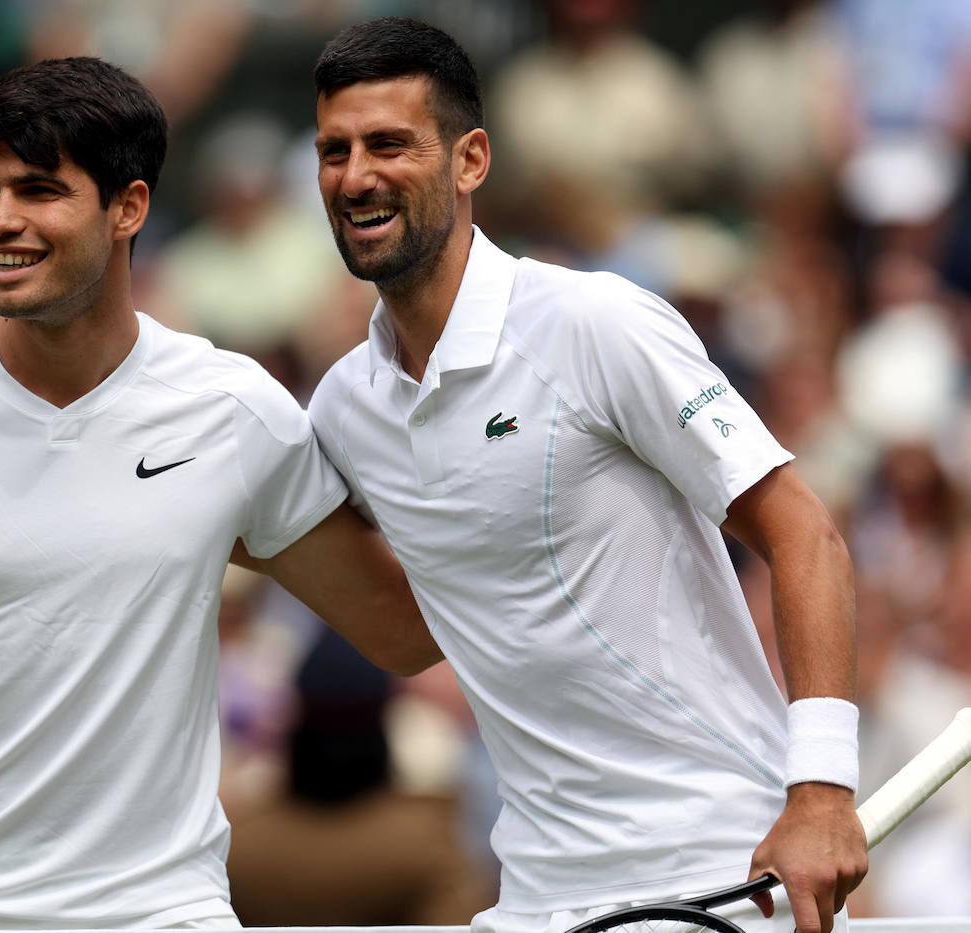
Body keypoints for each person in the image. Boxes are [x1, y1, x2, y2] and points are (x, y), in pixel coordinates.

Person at [0, 56, 438, 931]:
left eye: (38, 191)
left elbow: (401, 630)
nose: (0, 221)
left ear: (129, 207)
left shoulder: (232, 413)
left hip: (164, 916)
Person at [304, 17, 866, 933]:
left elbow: (806, 532)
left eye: (389, 144)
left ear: (471, 160)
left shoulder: (596, 322)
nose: (356, 175)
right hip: (532, 896)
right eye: (335, 150)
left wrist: (821, 791)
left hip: (713, 874)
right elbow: (403, 629)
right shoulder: (343, 409)